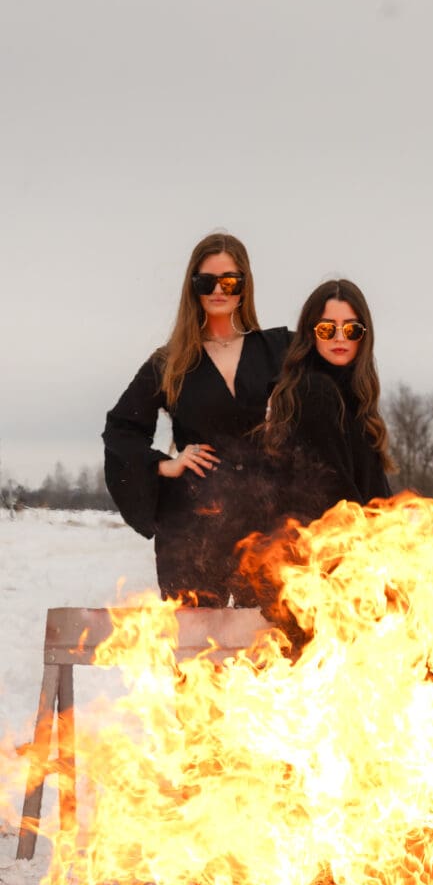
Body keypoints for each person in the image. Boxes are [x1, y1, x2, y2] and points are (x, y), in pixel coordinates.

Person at [102, 232, 291, 607]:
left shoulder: (278, 350)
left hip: (265, 528)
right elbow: (121, 428)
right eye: (206, 281)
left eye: (230, 281)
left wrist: (287, 425)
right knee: (198, 654)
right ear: (193, 287)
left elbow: (330, 375)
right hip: (192, 528)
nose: (218, 290)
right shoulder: (170, 361)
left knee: (270, 651)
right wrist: (166, 466)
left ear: (244, 285)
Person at [264, 277, 394, 520]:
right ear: (311, 334)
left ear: (364, 336)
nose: (339, 337)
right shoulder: (312, 390)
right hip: (325, 547)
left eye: (351, 329)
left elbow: (375, 493)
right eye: (327, 328)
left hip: (359, 543)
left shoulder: (356, 399)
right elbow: (334, 491)